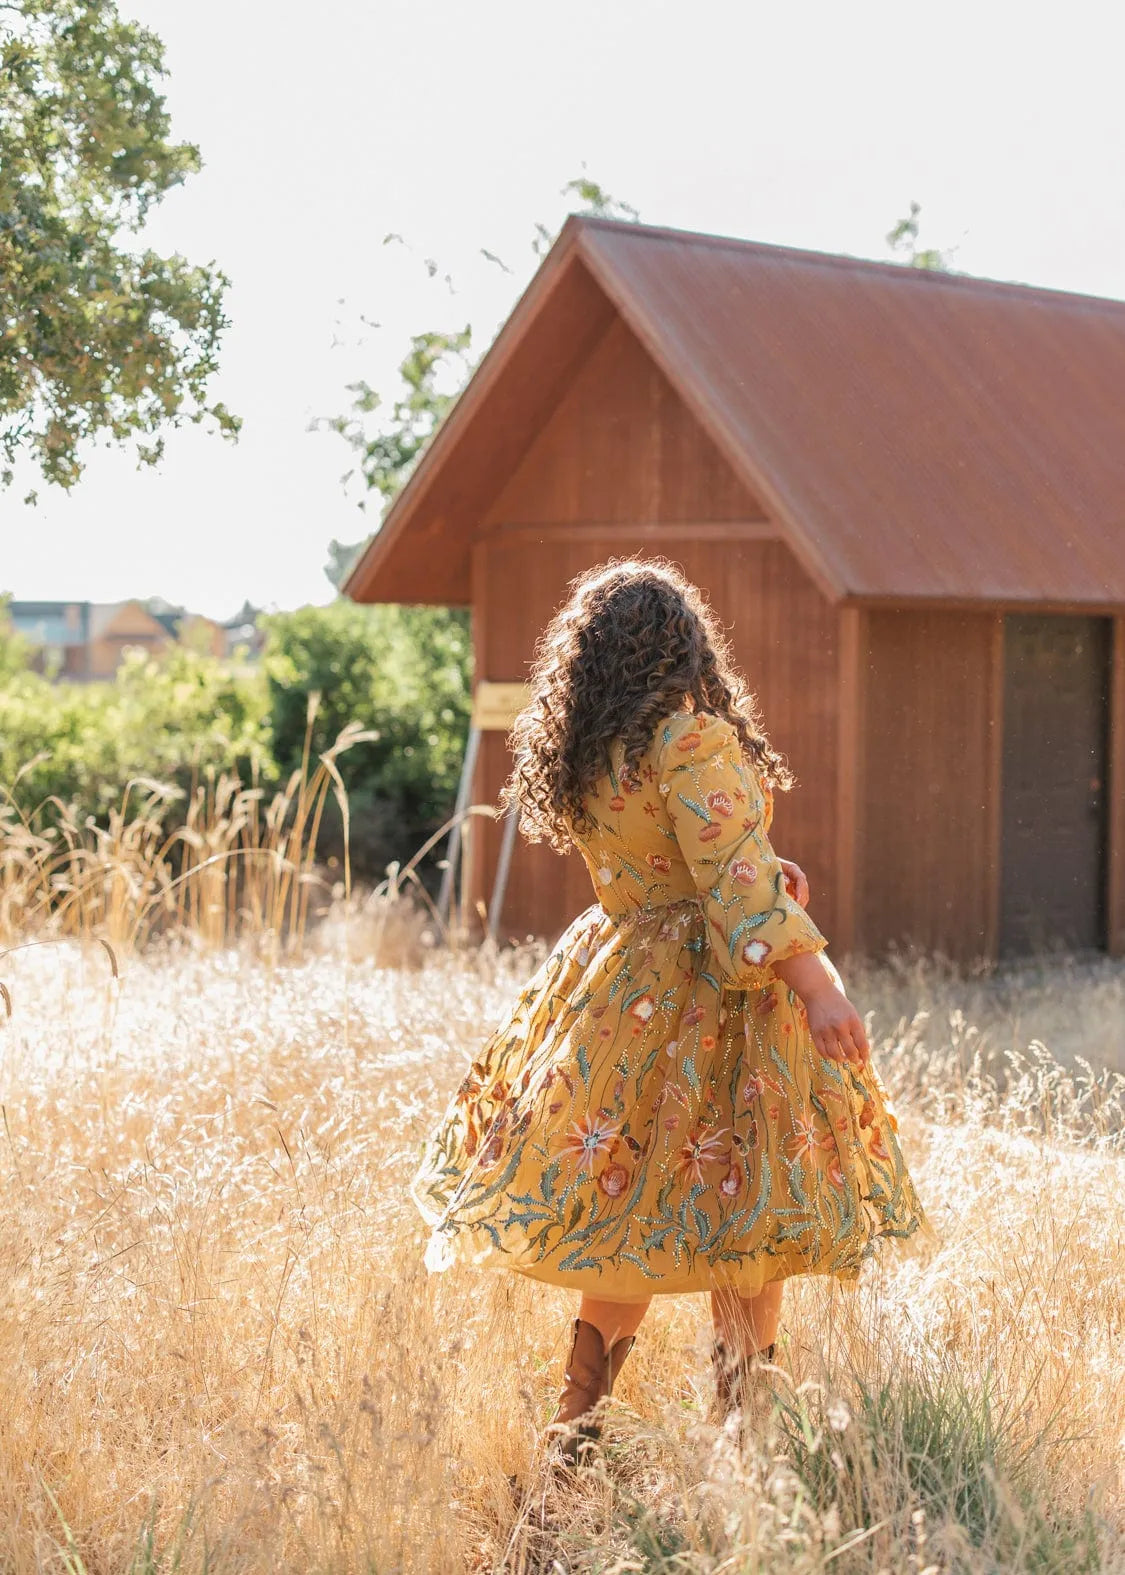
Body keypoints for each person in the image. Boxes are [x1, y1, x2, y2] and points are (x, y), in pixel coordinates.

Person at [412, 559, 929, 1465]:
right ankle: (742, 1451)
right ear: (685, 644)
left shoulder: (593, 756)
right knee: (746, 1214)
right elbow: (730, 872)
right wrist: (817, 988)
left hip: (620, 993)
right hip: (718, 997)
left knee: (625, 1214)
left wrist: (773, 879)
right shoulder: (688, 738)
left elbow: (692, 866)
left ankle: (569, 1439)